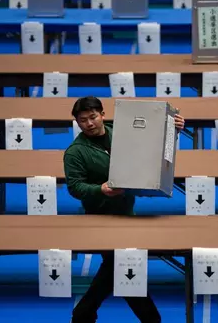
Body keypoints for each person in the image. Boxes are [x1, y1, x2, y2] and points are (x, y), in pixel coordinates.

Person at [64, 96, 185, 323]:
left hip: (127, 215)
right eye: (82, 120)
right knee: (121, 265)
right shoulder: (75, 153)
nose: (89, 124)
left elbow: (151, 143)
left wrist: (173, 129)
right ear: (77, 123)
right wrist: (100, 189)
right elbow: (75, 187)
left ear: (102, 114)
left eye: (92, 117)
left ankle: (84, 314)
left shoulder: (120, 132)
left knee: (120, 266)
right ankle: (147, 319)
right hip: (100, 218)